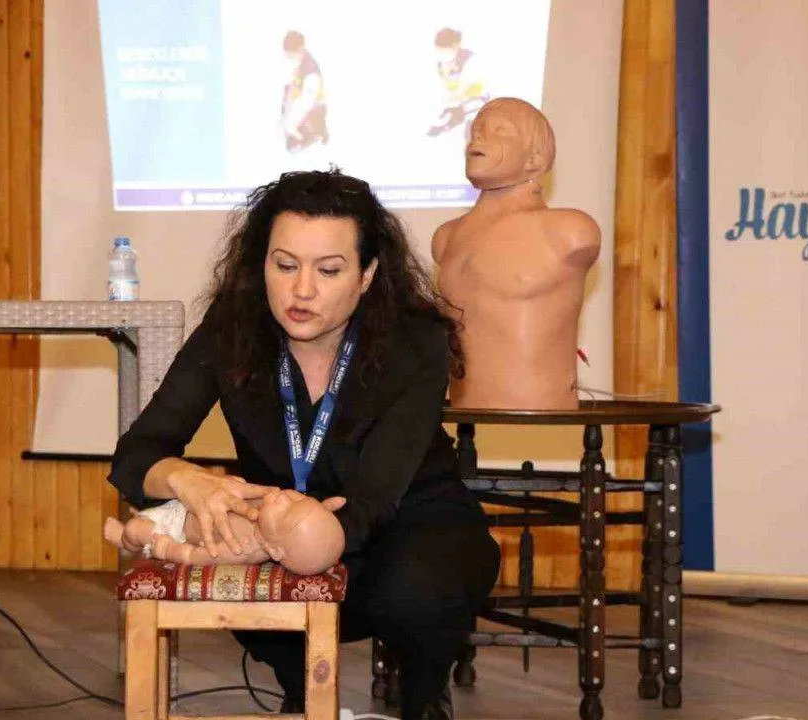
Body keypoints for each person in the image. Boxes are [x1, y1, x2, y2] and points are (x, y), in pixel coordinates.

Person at [109, 168, 500, 720]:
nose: (302, 290)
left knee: (417, 590)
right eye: (285, 265)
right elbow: (137, 453)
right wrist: (187, 480)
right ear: (261, 264)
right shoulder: (232, 329)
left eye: (329, 270)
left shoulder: (414, 339)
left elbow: (373, 501)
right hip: (279, 530)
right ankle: (301, 692)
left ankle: (423, 694)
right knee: (229, 559)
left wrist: (283, 539)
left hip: (405, 524)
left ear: (366, 275)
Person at [433, 98, 601, 409]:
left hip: (541, 400)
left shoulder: (571, 232)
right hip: (464, 405)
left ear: (534, 160)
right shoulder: (446, 238)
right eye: (477, 130)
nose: (478, 138)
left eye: (500, 130)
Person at [104, 489, 347, 575]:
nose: (285, 498)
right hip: (192, 503)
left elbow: (198, 556)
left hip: (175, 527)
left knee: (136, 529)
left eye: (286, 512)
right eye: (299, 500)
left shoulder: (242, 549)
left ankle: (127, 541)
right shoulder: (268, 515)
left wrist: (169, 549)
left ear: (274, 550)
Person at [427, 28, 490, 138]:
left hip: (477, 104)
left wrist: (456, 102)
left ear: (455, 46)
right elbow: (443, 89)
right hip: (456, 106)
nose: (442, 55)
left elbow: (478, 90)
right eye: (439, 51)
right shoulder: (441, 64)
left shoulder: (471, 60)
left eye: (444, 51)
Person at [280, 31, 330, 153]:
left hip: (313, 115)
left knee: (297, 145)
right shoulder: (298, 64)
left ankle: (312, 136)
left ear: (299, 50)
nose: (288, 58)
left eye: (290, 54)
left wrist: (291, 124)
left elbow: (307, 101)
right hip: (300, 115)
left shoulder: (310, 71)